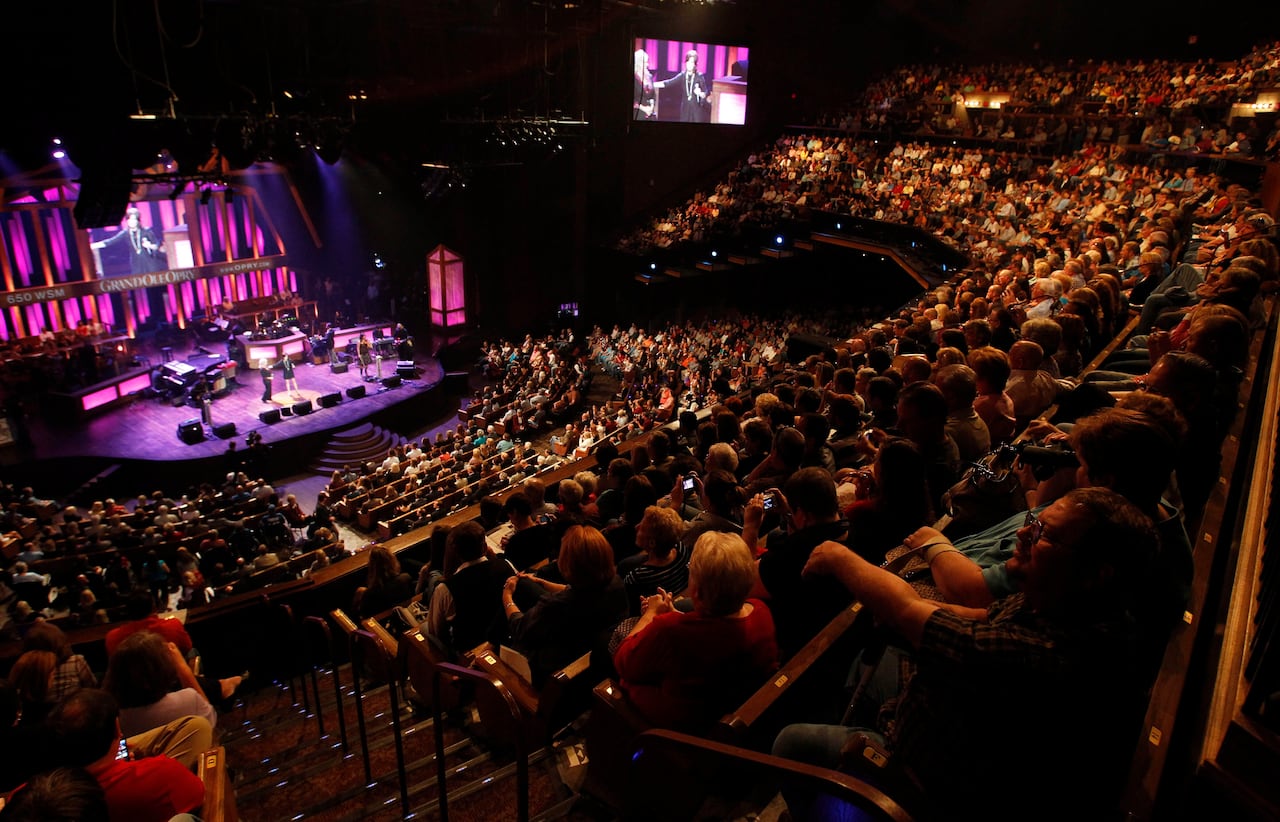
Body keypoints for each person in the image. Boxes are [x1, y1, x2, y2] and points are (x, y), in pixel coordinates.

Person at [773, 488, 1160, 820]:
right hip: (961, 717)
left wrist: (841, 559)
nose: (1025, 532)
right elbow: (975, 615)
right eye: (1033, 520)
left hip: (933, 780)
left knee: (790, 742)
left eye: (1045, 533)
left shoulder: (1049, 654)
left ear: (1096, 572)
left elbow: (912, 612)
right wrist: (909, 612)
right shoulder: (1067, 603)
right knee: (876, 657)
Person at [613, 531, 778, 732]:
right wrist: (675, 615)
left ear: (697, 591)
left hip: (682, 727)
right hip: (729, 708)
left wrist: (651, 614)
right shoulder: (761, 611)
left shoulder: (669, 630)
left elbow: (623, 662)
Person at [43, 689, 208, 822]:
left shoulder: (30, 798)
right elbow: (201, 793)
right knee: (198, 726)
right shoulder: (162, 774)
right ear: (117, 728)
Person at [503, 525, 629, 686]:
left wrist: (507, 597)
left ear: (568, 564)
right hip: (585, 657)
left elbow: (520, 628)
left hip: (551, 671)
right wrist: (541, 582)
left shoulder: (555, 605)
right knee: (525, 584)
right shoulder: (616, 583)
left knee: (516, 592)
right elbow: (580, 591)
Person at [102, 631, 217, 738]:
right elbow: (212, 722)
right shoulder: (189, 700)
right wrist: (183, 669)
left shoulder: (114, 722)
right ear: (163, 668)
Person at [426, 521, 514, 656]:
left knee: (424, 628)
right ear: (485, 547)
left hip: (470, 654)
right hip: (509, 641)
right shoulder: (506, 565)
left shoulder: (445, 588)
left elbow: (435, 631)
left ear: (455, 553)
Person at [89, 207, 167, 275]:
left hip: (149, 263)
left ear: (138, 221)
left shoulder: (146, 231)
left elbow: (157, 246)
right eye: (129, 219)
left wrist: (149, 245)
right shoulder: (125, 233)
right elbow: (111, 241)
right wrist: (94, 245)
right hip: (136, 263)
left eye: (134, 219)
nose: (131, 222)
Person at [352, 545, 414, 618]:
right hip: (410, 618)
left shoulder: (369, 594)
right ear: (392, 560)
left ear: (372, 567)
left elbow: (365, 618)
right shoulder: (406, 578)